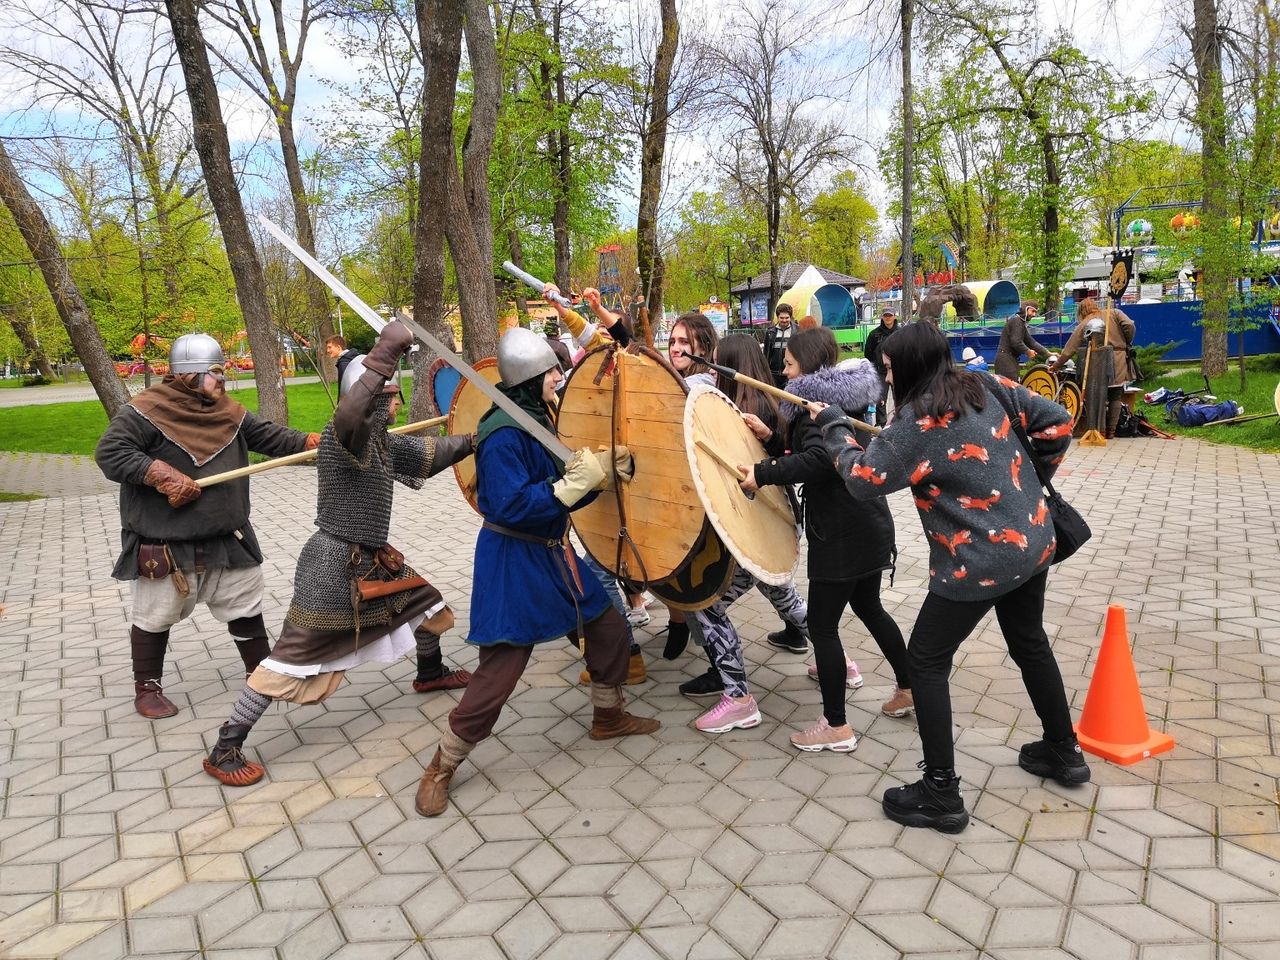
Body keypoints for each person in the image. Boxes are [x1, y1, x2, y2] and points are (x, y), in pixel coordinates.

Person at [813, 322, 1086, 833]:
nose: (886, 378)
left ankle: (941, 791)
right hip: (1032, 541)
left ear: (910, 367)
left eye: (889, 369)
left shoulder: (915, 422)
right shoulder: (986, 384)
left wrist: (833, 427)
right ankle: (1063, 750)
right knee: (1029, 641)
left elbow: (862, 480)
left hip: (978, 562)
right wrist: (1027, 487)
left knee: (925, 661)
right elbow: (1058, 424)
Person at [201, 324, 475, 786]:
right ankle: (225, 746)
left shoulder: (380, 442)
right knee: (289, 662)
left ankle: (430, 672)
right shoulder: (343, 440)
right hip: (331, 567)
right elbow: (352, 413)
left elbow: (429, 454)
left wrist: (475, 439)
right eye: (389, 397)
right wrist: (386, 350)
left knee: (428, 606)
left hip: (373, 559)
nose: (396, 405)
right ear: (368, 400)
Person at [414, 328, 659, 817]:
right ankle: (442, 764)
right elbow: (508, 504)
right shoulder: (503, 433)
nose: (557, 377)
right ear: (528, 378)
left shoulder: (536, 415)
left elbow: (560, 484)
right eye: (550, 371)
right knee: (500, 670)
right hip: (513, 561)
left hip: (553, 553)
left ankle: (609, 716)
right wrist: (570, 487)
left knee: (609, 630)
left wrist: (598, 475)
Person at [96, 334, 320, 719]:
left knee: (244, 605)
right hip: (167, 541)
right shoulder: (145, 411)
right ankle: (147, 688)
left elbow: (269, 436)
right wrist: (160, 473)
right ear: (190, 375)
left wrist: (313, 443)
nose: (223, 380)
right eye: (216, 372)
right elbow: (110, 452)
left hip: (226, 535)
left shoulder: (227, 411)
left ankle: (261, 673)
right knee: (155, 614)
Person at [741, 327, 913, 752]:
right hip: (868, 521)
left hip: (842, 532)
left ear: (809, 366)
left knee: (821, 626)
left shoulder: (817, 406)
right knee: (869, 607)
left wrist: (763, 473)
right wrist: (771, 438)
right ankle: (910, 687)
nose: (784, 372)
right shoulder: (837, 399)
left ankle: (836, 725)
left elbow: (821, 459)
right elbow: (813, 449)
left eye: (789, 364)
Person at [666, 318, 810, 732]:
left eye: (684, 342)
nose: (713, 369)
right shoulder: (745, 400)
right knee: (783, 597)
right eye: (672, 340)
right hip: (762, 525)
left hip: (754, 524)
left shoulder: (722, 402)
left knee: (707, 605)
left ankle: (738, 697)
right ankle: (840, 661)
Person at [1050, 297, 1136, 438]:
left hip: (1098, 361)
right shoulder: (1114, 313)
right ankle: (1111, 431)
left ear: (1081, 311)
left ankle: (1100, 430)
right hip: (1119, 358)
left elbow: (1070, 348)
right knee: (1115, 396)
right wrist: (1126, 340)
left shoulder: (1086, 322)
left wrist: (1056, 365)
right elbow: (1129, 324)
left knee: (1098, 396)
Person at [993, 302, 1050, 380]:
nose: (1034, 315)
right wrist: (1028, 351)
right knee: (1010, 385)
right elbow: (1016, 342)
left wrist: (1047, 353)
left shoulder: (1020, 323)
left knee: (1013, 384)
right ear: (1025, 309)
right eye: (1032, 311)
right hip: (1005, 360)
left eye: (1035, 312)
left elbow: (1031, 342)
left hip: (1010, 359)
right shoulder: (1016, 321)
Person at [863, 310, 899, 426]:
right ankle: (882, 424)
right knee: (880, 400)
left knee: (900, 398)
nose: (888, 318)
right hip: (880, 372)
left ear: (894, 317)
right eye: (885, 315)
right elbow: (868, 353)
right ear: (882, 317)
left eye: (890, 315)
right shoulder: (874, 334)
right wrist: (876, 365)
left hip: (898, 371)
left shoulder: (900, 333)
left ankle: (899, 422)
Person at [763, 303, 795, 388]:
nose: (784, 320)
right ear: (777, 317)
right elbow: (766, 354)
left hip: (790, 374)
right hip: (773, 374)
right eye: (781, 318)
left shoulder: (797, 331)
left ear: (790, 317)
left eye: (787, 318)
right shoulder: (770, 332)